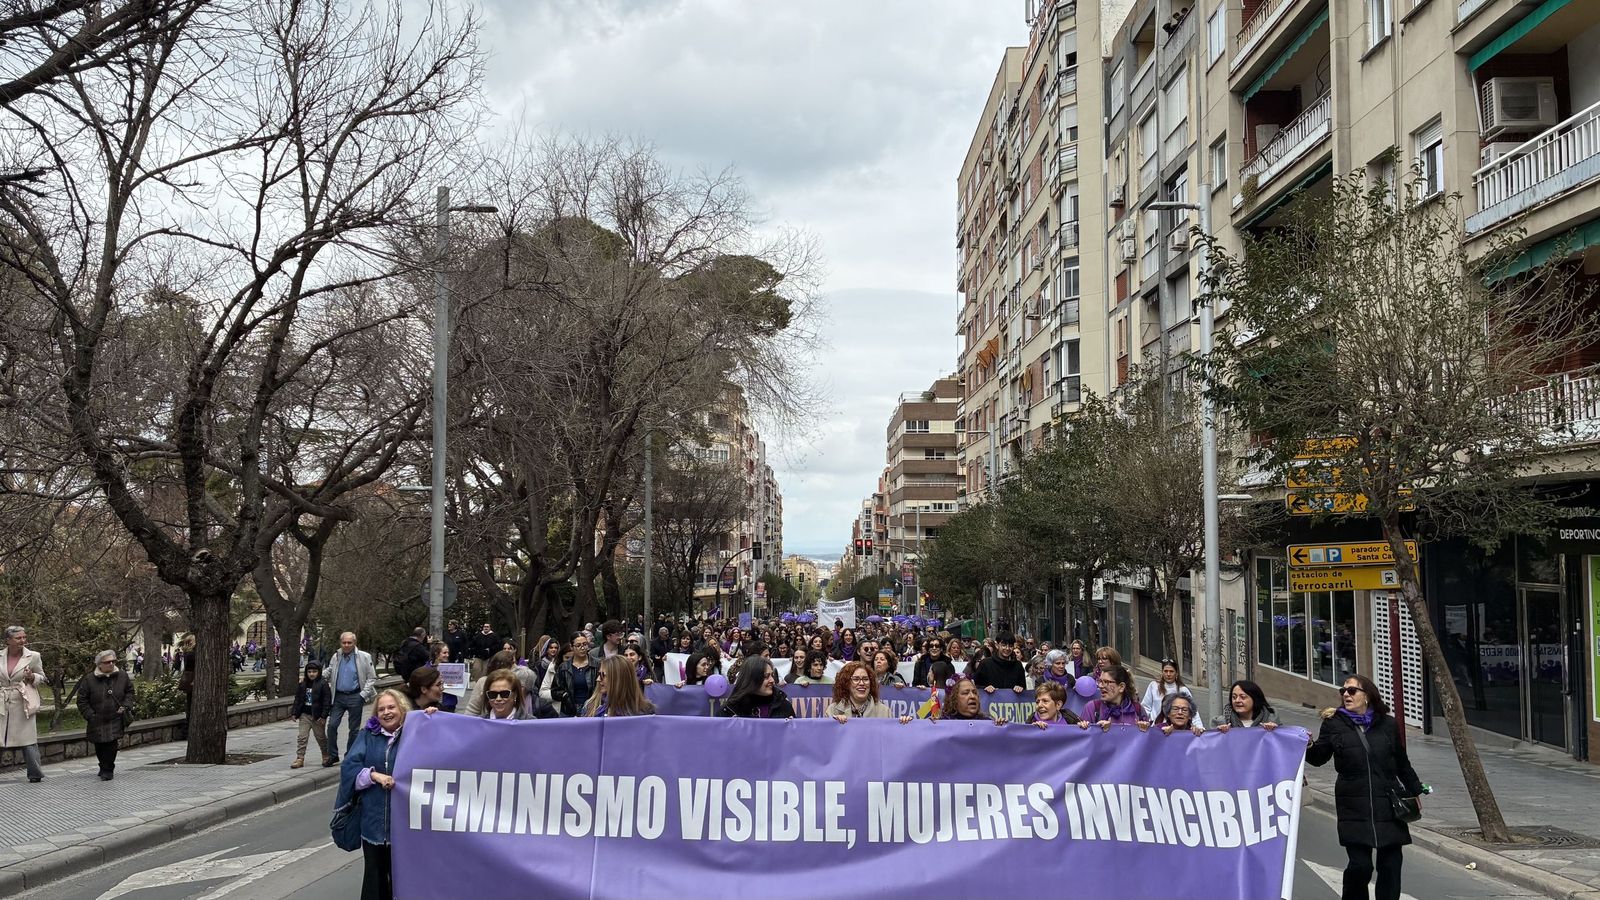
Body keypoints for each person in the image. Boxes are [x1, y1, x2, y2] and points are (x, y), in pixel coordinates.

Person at [1308, 674, 1425, 900]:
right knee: (1360, 866)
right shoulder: (1334, 723)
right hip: (1353, 802)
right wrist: (1309, 744)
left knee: (1391, 866)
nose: (1346, 695)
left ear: (1367, 696)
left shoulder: (1388, 724)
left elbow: (1401, 761)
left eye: (1352, 691)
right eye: (1343, 691)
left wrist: (1415, 790)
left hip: (1388, 801)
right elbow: (1318, 758)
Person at [335, 688, 412, 900]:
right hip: (373, 823)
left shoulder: (415, 734)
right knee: (375, 879)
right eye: (381, 709)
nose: (387, 712)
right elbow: (349, 768)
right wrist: (374, 776)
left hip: (405, 826)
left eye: (391, 707)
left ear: (402, 709)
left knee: (403, 879)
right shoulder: (367, 735)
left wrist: (432, 718)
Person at [75, 649, 134, 780]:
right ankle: (103, 766)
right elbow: (82, 699)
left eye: (113, 661)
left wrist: (125, 705)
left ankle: (108, 769)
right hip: (97, 718)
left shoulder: (122, 676)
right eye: (107, 662)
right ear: (99, 664)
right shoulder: (89, 679)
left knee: (112, 744)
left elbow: (130, 692)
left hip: (115, 716)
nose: (111, 664)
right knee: (100, 744)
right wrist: (90, 715)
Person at [325, 632, 377, 767]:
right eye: (344, 643)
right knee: (332, 725)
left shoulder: (364, 657)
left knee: (353, 728)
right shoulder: (336, 656)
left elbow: (372, 678)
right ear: (340, 643)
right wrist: (318, 675)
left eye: (349, 643)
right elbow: (330, 670)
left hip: (355, 695)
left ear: (355, 643)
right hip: (339, 697)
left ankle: (350, 755)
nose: (346, 645)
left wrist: (363, 695)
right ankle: (333, 755)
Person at [1, 625, 46, 782]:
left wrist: (31, 676)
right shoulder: (0, 656)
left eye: (24, 637)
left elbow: (42, 677)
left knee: (28, 740)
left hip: (22, 702)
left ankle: (35, 773)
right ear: (8, 640)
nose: (23, 640)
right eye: (18, 638)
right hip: (2, 700)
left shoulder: (33, 656)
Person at [826, 661, 913, 723]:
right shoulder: (833, 710)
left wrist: (904, 724)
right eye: (856, 679)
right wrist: (835, 726)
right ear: (846, 683)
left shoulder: (884, 711)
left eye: (865, 679)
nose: (861, 683)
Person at [717, 658, 796, 719]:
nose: (772, 680)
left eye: (772, 675)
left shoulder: (783, 705)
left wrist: (792, 729)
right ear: (751, 679)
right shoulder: (729, 709)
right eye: (766, 676)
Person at [1078, 665, 1150, 731]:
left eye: (1106, 682)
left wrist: (1144, 731)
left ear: (1121, 687)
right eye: (1100, 681)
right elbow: (1083, 740)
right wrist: (1095, 729)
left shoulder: (1137, 709)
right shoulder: (1092, 708)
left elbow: (1146, 741)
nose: (1100, 686)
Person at [288, 659, 331, 769]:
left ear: (319, 672)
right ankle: (300, 758)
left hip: (317, 716)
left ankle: (325, 755)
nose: (312, 674)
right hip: (304, 715)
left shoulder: (323, 684)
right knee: (302, 737)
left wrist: (324, 715)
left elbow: (327, 701)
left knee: (321, 737)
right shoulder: (303, 685)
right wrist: (294, 712)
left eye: (314, 671)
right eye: (309, 671)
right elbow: (298, 699)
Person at [584, 655, 655, 717]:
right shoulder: (591, 707)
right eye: (599, 674)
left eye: (603, 675)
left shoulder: (645, 712)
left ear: (618, 678)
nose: (598, 679)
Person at [552, 633, 601, 717]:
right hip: (569, 710)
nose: (582, 648)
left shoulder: (597, 664)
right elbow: (555, 691)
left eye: (585, 644)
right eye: (578, 645)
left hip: (592, 709)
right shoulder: (564, 667)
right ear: (572, 647)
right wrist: (565, 696)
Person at [476, 668, 555, 720]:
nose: (498, 699)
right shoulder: (478, 724)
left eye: (504, 694)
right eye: (492, 694)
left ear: (515, 695)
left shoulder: (530, 723)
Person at [1211, 679, 1281, 732]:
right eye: (1234, 697)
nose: (1237, 701)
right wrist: (1219, 734)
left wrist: (1276, 731)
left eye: (1243, 697)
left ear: (1255, 699)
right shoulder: (1222, 722)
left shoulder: (1271, 720)